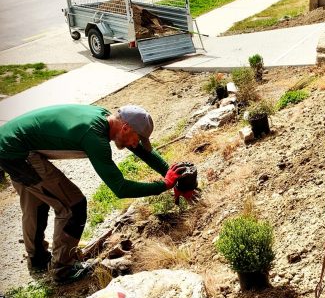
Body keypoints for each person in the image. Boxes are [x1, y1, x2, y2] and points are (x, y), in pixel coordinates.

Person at [0, 104, 195, 284]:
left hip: (8, 141)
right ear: (126, 127)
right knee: (72, 206)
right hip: (17, 152)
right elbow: (120, 188)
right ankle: (62, 269)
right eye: (138, 138)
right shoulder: (94, 138)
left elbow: (143, 152)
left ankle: (38, 259)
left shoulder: (107, 119)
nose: (137, 144)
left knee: (37, 201)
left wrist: (173, 176)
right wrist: (164, 185)